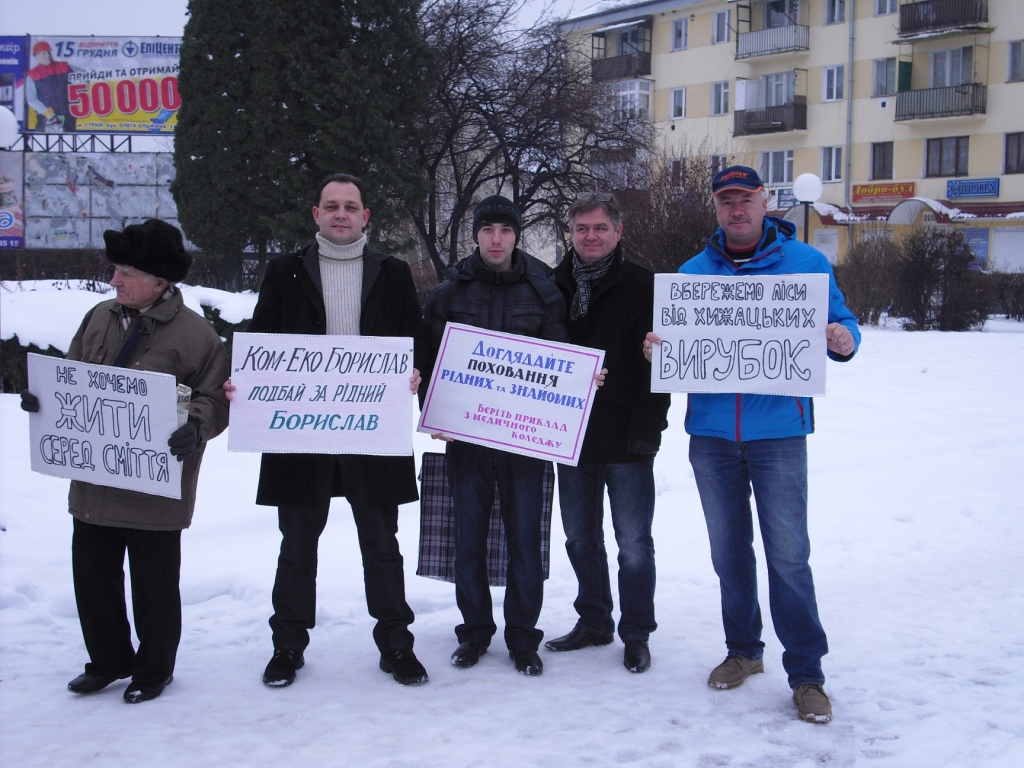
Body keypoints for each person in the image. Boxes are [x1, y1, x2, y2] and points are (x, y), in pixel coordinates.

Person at [644, 166, 860, 723]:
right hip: (712, 437)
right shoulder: (693, 275)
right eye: (726, 201)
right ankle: (743, 651)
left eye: (746, 199)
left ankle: (807, 673)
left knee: (789, 557)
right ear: (716, 209)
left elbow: (843, 325)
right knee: (729, 553)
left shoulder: (806, 266)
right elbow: (678, 343)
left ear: (765, 202)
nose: (736, 209)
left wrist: (843, 339)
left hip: (778, 435)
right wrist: (659, 348)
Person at [20, 219, 230, 703]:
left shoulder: (198, 337)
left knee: (154, 586)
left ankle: (153, 670)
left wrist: (195, 426)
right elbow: (69, 376)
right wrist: (42, 400)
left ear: (160, 281)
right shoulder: (98, 317)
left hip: (154, 488)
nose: (114, 280)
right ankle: (108, 660)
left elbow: (215, 399)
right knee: (93, 579)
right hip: (95, 482)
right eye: (114, 270)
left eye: (126, 272)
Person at [243, 173, 429, 688]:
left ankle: (396, 642)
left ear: (366, 216)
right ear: (316, 215)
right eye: (332, 206)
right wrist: (247, 384)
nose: (341, 214)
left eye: (351, 206)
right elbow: (262, 341)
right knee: (297, 547)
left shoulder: (392, 273)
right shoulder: (285, 272)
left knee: (382, 545)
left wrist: (413, 373)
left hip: (372, 431)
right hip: (303, 434)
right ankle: (287, 645)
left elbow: (413, 340)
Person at [423, 195, 569, 676]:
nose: (496, 239)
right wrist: (431, 407)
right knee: (469, 539)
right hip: (467, 440)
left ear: (516, 235)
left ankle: (523, 639)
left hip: (526, 441)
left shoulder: (543, 291)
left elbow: (561, 359)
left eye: (505, 230)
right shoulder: (449, 294)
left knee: (525, 540)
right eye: (488, 230)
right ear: (476, 235)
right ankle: (474, 633)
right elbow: (427, 363)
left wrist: (578, 383)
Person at [546, 192, 670, 673]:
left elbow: (659, 365)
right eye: (582, 229)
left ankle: (636, 632)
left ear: (618, 232)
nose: (590, 237)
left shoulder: (644, 286)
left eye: (600, 228)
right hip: (567, 434)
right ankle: (594, 619)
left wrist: (648, 428)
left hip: (626, 437)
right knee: (579, 537)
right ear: (570, 234)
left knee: (633, 541)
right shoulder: (552, 285)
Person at [26, 41, 80, 132]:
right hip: (44, 119)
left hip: (68, 116)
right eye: (44, 53)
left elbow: (84, 75)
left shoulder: (64, 66)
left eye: (48, 52)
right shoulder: (32, 75)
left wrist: (78, 87)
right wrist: (49, 115)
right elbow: (31, 99)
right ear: (37, 56)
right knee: (40, 144)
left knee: (69, 144)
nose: (47, 55)